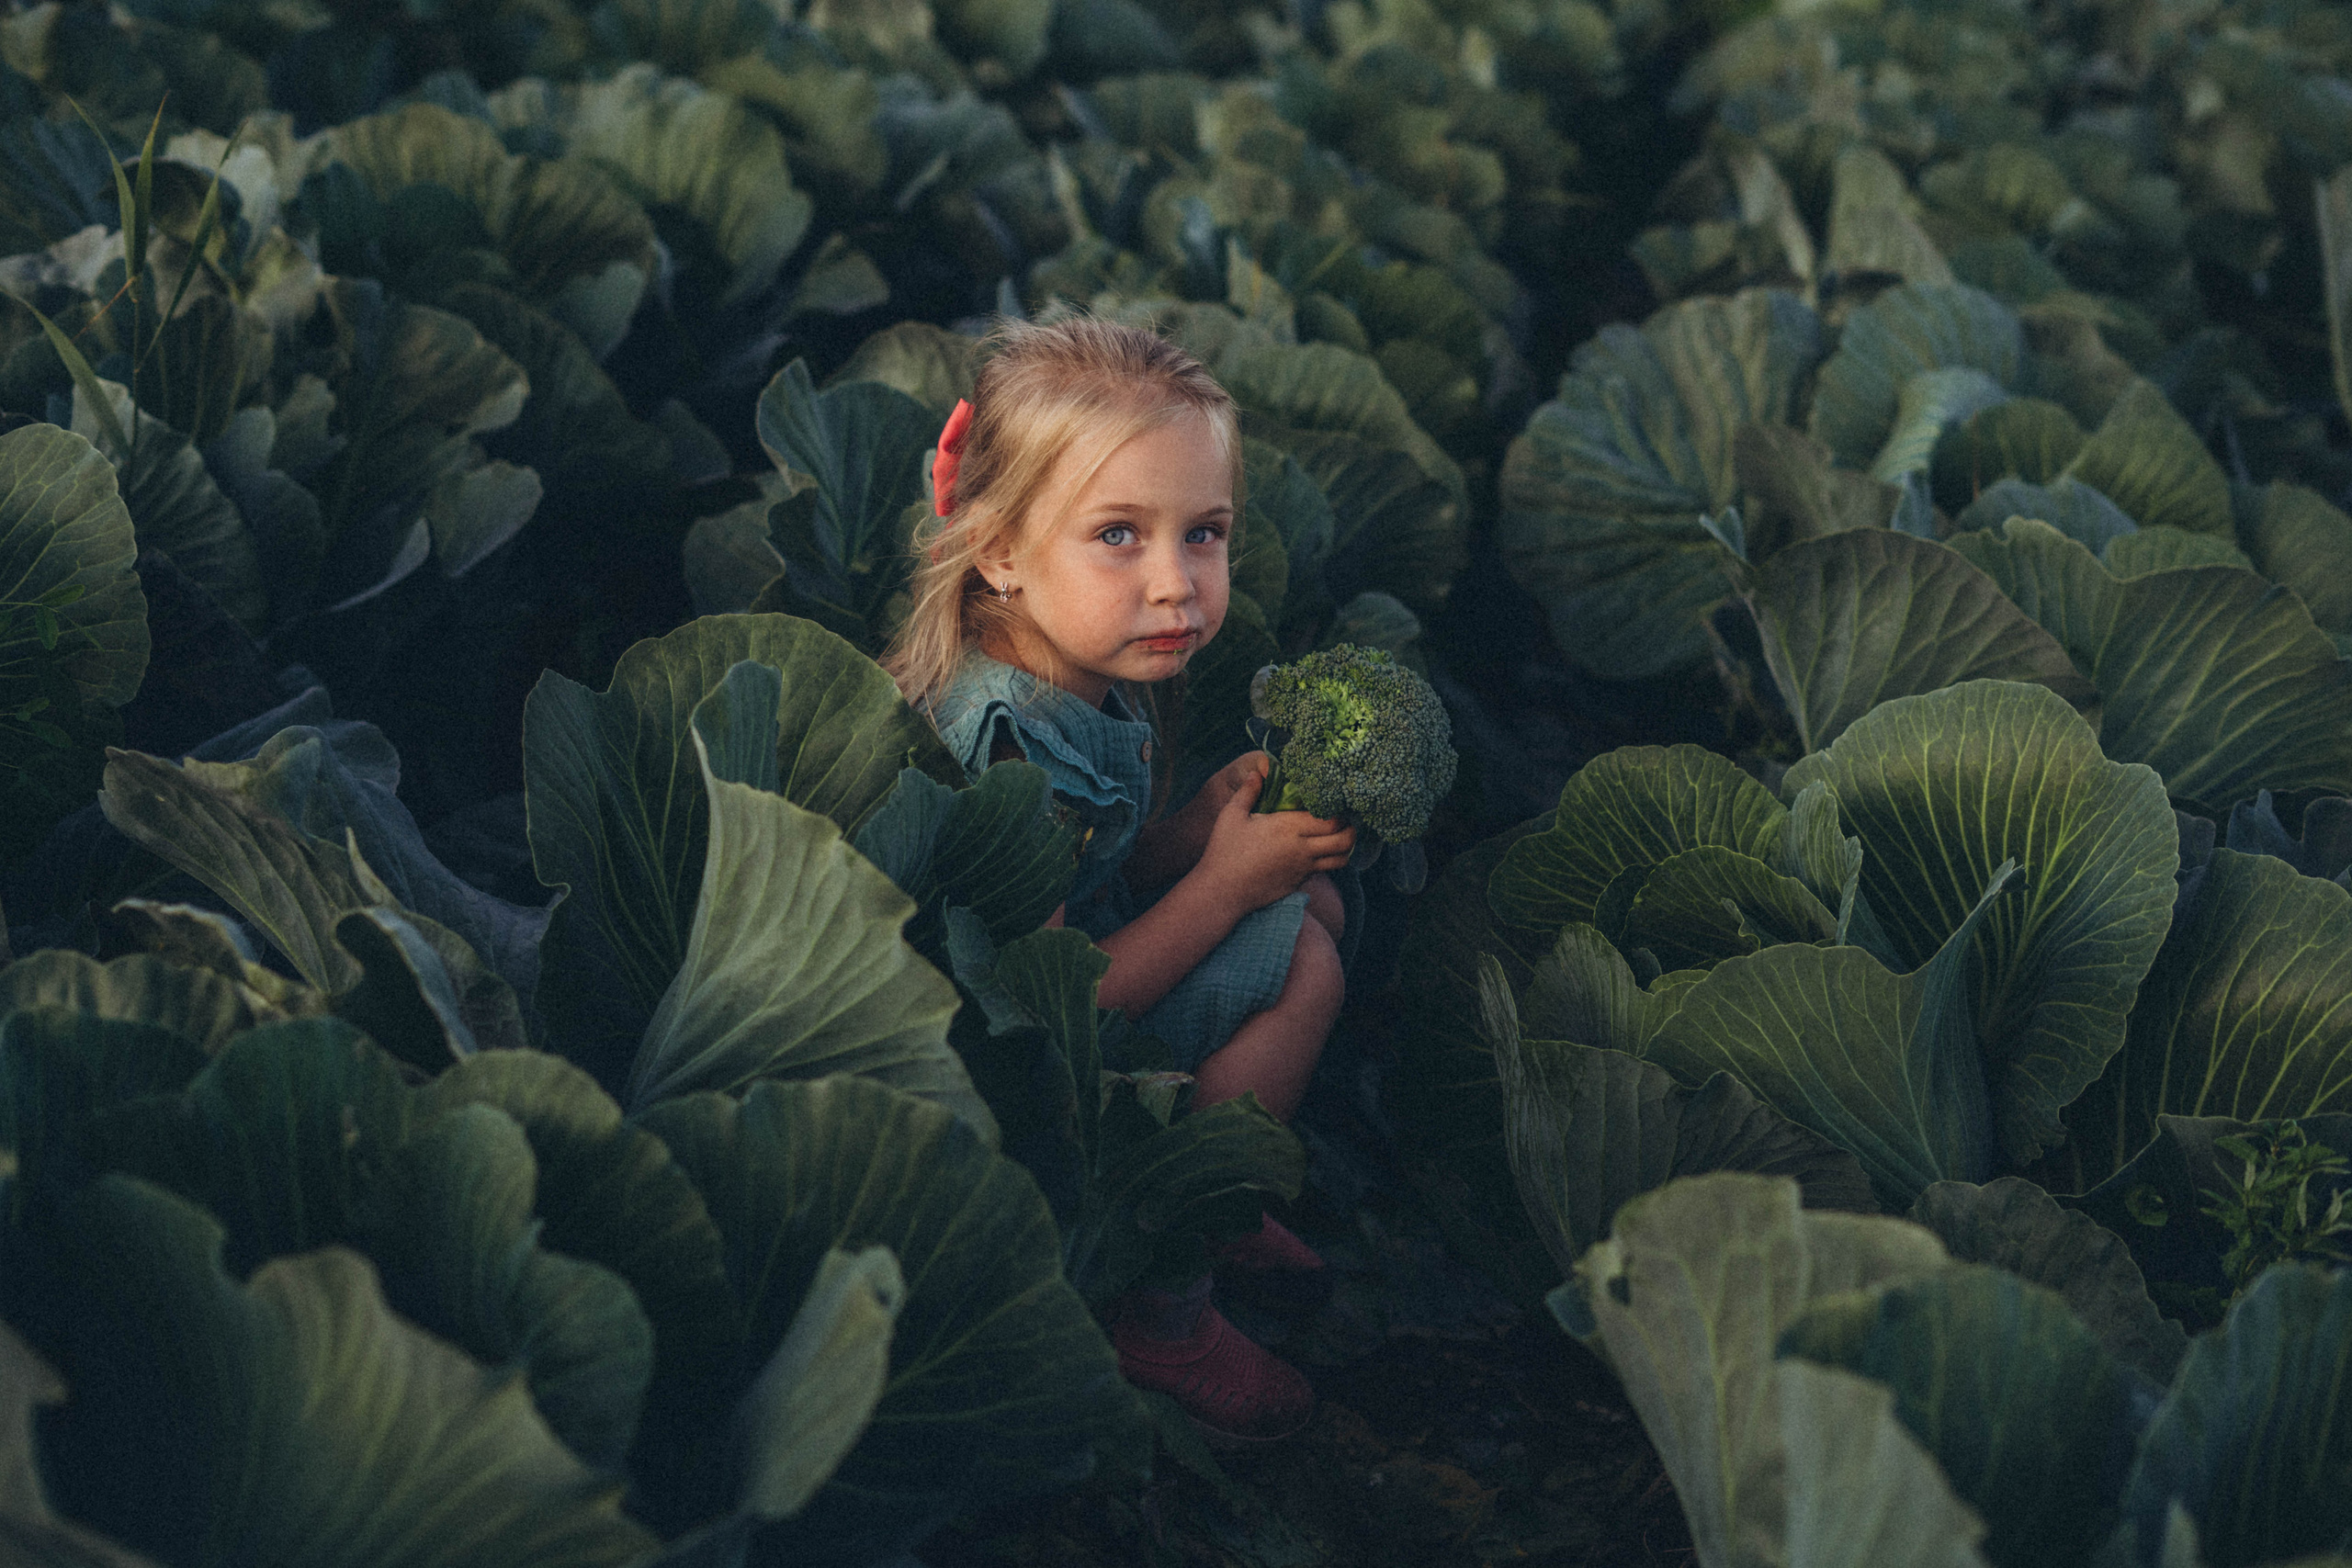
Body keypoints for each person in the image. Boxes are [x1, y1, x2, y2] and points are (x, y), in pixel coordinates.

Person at [881, 313, 1348, 1444]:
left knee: (1318, 897)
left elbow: (1110, 867)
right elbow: (1054, 1002)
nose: (1174, 583)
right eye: (1118, 535)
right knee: (1305, 954)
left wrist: (1195, 831)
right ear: (997, 549)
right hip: (1005, 1076)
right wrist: (1225, 890)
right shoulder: (1004, 744)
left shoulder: (1090, 664)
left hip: (1083, 985)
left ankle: (1215, 1178)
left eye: (1204, 534)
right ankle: (1167, 1297)